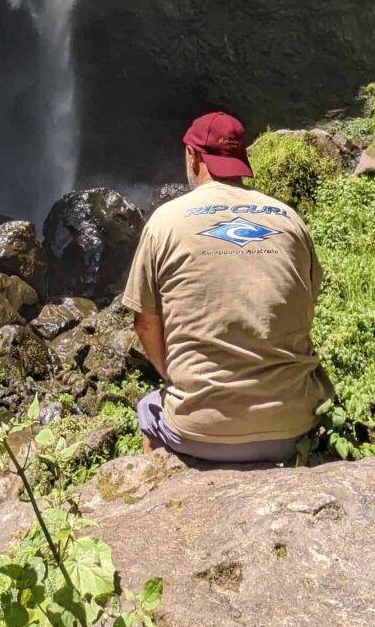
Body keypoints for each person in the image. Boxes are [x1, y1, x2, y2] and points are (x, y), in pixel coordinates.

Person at [122, 110, 331, 466]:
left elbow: (144, 324)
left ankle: (161, 497)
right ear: (240, 159)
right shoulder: (290, 219)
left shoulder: (165, 221)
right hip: (296, 427)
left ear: (193, 156)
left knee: (148, 408)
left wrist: (177, 377)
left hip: (198, 431)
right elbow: (306, 304)